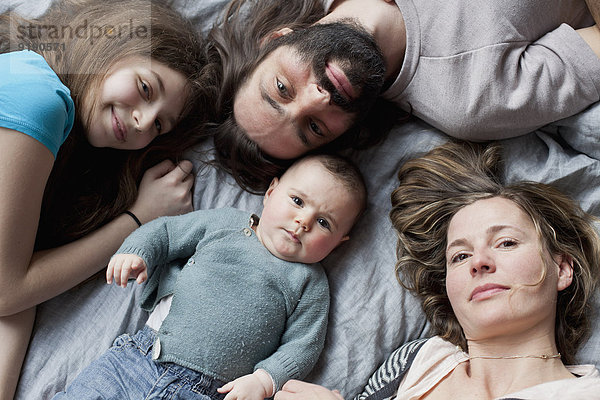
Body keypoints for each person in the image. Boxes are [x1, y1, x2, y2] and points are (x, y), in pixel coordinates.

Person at [273, 142, 600, 399]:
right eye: (459, 256)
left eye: (506, 243)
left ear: (561, 268)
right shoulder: (415, 362)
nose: (478, 262)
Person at [0, 0, 211, 398]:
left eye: (160, 124)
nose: (144, 121)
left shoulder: (48, 116)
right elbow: (7, 290)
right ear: (112, 43)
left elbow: (18, 294)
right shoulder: (37, 97)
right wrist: (137, 220)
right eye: (146, 87)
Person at [52, 154, 367, 400]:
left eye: (324, 222)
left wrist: (264, 380)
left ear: (339, 243)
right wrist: (136, 251)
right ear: (271, 193)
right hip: (137, 361)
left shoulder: (309, 283)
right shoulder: (224, 223)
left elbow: (303, 347)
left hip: (208, 392)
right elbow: (166, 232)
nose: (303, 222)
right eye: (297, 201)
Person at [205, 0, 600, 191]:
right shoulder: (469, 101)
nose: (318, 99)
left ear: (278, 39)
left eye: (281, 89)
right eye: (313, 127)